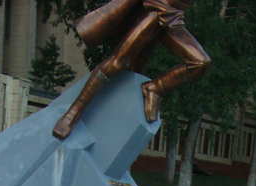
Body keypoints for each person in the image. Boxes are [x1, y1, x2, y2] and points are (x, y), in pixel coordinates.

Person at [53, 0, 211, 139]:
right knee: (117, 62)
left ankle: (154, 88)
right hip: (154, 10)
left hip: (173, 19)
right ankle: (73, 113)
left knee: (200, 62)